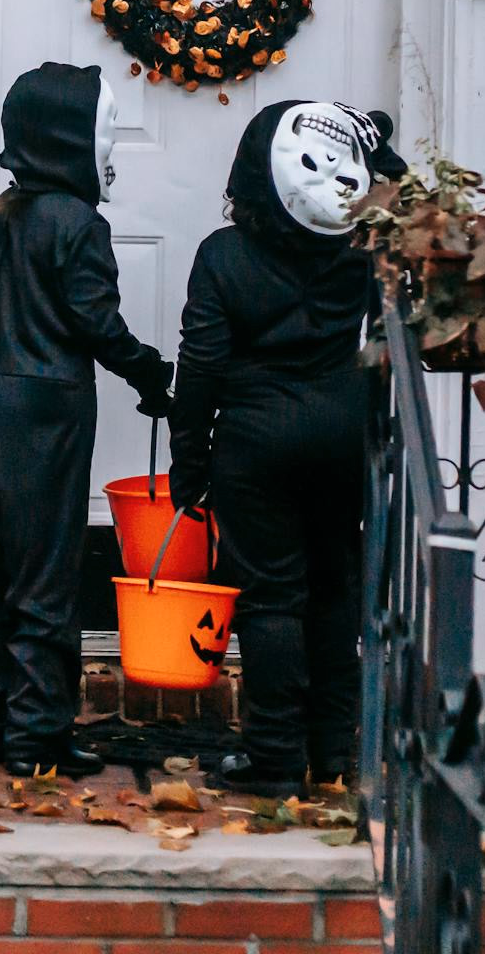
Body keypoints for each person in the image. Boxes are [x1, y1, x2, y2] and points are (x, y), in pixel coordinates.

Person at [0, 61, 175, 777]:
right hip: (49, 410)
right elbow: (95, 320)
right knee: (46, 571)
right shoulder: (79, 224)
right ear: (72, 142)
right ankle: (37, 736)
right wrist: (148, 371)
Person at [167, 100, 406, 798]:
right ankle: (332, 753)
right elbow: (406, 194)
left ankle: (274, 757)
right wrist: (376, 150)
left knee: (271, 600)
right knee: (334, 591)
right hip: (344, 434)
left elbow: (200, 366)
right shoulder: (362, 254)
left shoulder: (222, 255)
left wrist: (189, 463)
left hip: (255, 443)